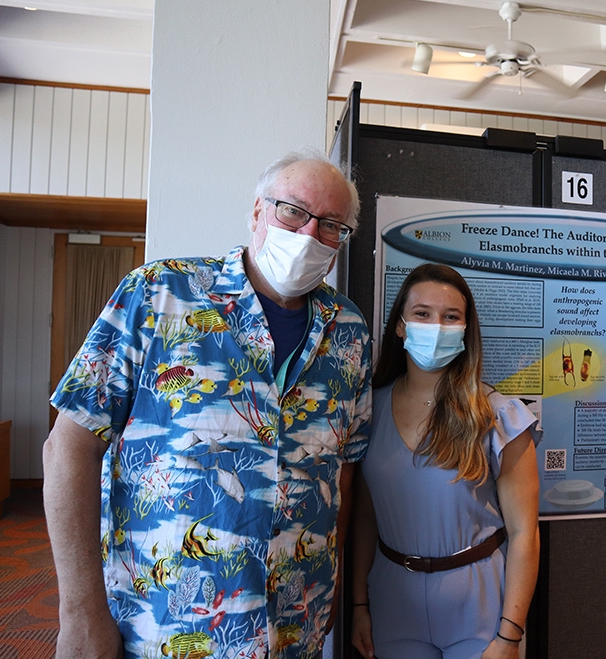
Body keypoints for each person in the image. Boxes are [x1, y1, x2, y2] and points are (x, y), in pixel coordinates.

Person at [42, 152, 372, 659]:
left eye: (331, 225)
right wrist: (80, 612)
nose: (308, 235)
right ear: (258, 212)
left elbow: (342, 475)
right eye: (292, 211)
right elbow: (67, 448)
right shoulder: (158, 295)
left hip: (293, 628)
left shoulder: (348, 330)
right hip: (162, 626)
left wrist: (327, 593)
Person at [350, 263, 541, 659]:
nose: (436, 326)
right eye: (422, 313)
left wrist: (510, 637)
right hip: (393, 601)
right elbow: (365, 517)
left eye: (451, 316)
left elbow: (525, 534)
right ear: (400, 325)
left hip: (480, 607)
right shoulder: (368, 410)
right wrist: (358, 605)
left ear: (466, 330)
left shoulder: (499, 416)